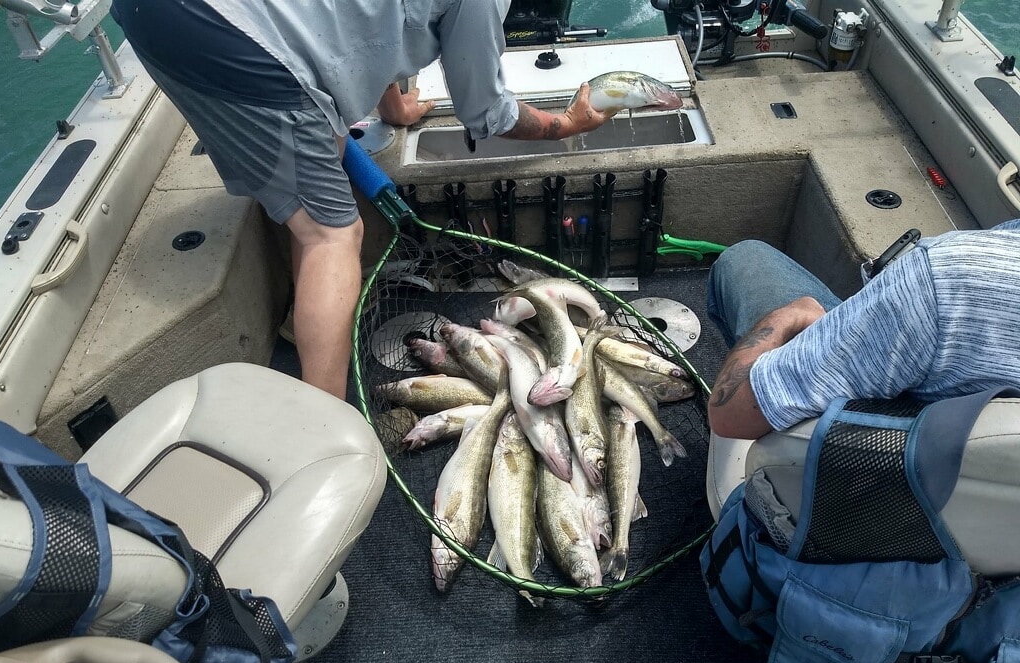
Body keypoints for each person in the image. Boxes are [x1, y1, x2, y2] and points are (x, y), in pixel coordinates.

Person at [109, 0, 612, 400]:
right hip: (233, 37)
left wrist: (393, 108)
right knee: (331, 234)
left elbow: (367, 20)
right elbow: (485, 111)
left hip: (151, 17)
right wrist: (566, 124)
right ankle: (323, 429)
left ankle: (303, 323)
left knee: (317, 153)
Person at [706, 219, 1020, 441]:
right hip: (952, 509)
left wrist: (790, 315)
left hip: (849, 471)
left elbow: (729, 415)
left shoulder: (940, 280)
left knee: (745, 258)